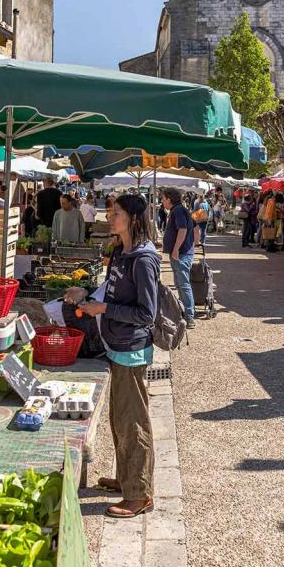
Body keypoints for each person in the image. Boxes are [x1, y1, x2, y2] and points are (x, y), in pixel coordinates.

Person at [66, 194, 159, 518]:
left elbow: (147, 313)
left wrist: (103, 308)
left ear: (133, 218)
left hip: (132, 348)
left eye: (115, 212)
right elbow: (112, 291)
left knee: (133, 423)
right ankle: (125, 479)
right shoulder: (121, 251)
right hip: (115, 345)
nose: (109, 216)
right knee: (119, 419)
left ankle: (140, 494)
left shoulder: (144, 259)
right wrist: (88, 295)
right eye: (109, 211)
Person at [162, 187, 196, 329]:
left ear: (169, 199)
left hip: (181, 253)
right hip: (183, 252)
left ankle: (189, 316)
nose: (162, 201)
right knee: (180, 284)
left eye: (163, 199)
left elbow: (183, 229)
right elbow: (194, 228)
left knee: (183, 284)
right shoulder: (180, 210)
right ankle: (184, 313)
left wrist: (176, 249)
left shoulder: (178, 210)